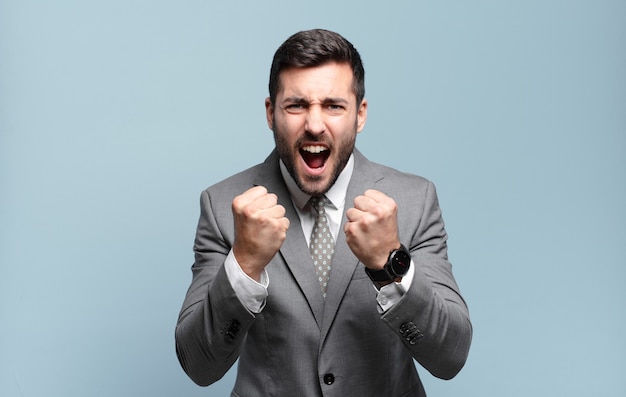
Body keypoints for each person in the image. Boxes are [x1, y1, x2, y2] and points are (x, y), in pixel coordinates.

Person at [175, 28, 472, 397]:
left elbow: (451, 356)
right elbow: (199, 366)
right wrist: (244, 265)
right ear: (271, 113)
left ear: (359, 115)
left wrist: (390, 263)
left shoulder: (413, 200)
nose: (314, 125)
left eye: (333, 105)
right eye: (296, 105)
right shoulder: (223, 206)